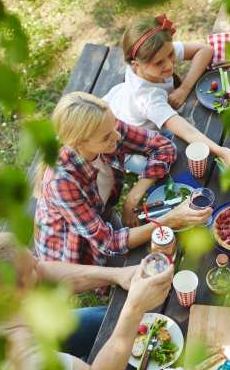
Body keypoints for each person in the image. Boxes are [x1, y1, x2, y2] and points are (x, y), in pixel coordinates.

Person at [0, 232, 173, 370]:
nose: (38, 263)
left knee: (107, 319)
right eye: (31, 270)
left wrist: (118, 275)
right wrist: (134, 308)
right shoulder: (15, 357)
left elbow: (43, 272)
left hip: (35, 333)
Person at [34, 92, 211, 266]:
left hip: (102, 214)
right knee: (132, 265)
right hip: (72, 249)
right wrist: (169, 219)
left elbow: (164, 146)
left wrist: (132, 197)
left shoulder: (105, 127)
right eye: (106, 137)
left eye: (113, 126)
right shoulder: (61, 182)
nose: (117, 136)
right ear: (79, 143)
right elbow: (108, 243)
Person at [103, 14, 230, 170]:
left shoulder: (157, 52)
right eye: (159, 63)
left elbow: (205, 50)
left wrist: (184, 89)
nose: (169, 65)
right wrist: (221, 151)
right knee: (167, 166)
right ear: (135, 65)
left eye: (171, 54)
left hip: (121, 102)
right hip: (128, 141)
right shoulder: (148, 98)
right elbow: (187, 131)